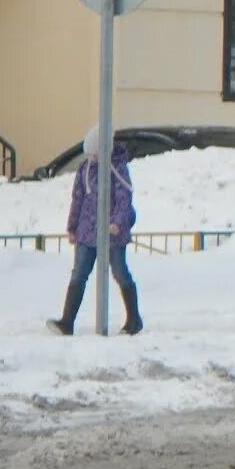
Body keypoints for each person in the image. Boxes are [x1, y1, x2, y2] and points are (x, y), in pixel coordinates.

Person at [47, 126, 143, 336]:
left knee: (120, 272)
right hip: (87, 232)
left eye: (95, 153)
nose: (92, 157)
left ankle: (134, 319)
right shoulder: (85, 169)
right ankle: (67, 322)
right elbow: (78, 200)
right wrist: (72, 227)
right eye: (89, 153)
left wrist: (117, 223)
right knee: (79, 274)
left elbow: (124, 199)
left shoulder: (117, 168)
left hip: (113, 234)